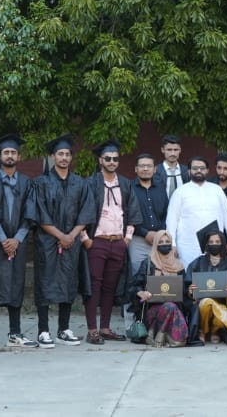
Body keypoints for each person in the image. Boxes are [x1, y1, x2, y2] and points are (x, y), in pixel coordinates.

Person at [28, 135, 95, 348]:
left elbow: (86, 212)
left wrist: (71, 236)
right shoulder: (41, 183)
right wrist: (60, 236)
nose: (64, 157)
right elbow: (39, 214)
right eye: (60, 154)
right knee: (45, 284)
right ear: (52, 156)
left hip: (72, 242)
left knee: (68, 283)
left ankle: (63, 329)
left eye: (67, 154)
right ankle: (43, 330)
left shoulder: (80, 183)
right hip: (47, 241)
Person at [0, 135, 36, 350]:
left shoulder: (26, 183)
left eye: (13, 152)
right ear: (0, 155)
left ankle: (15, 333)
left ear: (18, 156)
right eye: (6, 152)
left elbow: (30, 213)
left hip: (17, 243)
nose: (10, 155)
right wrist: (4, 239)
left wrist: (18, 239)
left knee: (16, 286)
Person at [83, 141, 141, 344]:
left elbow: (133, 212)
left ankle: (105, 328)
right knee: (94, 285)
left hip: (118, 242)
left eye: (115, 159)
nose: (112, 162)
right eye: (108, 158)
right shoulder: (91, 183)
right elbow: (81, 212)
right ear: (100, 160)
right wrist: (86, 240)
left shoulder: (125, 184)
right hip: (96, 241)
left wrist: (127, 239)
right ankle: (92, 330)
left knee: (110, 286)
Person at [165, 156, 227, 261]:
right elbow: (172, 220)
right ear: (189, 171)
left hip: (215, 244)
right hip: (187, 246)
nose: (199, 171)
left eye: (202, 168)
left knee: (213, 275)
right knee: (189, 275)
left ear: (207, 171)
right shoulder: (180, 192)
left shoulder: (217, 190)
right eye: (195, 168)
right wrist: (172, 243)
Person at [129, 230, 190, 347]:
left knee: (171, 306)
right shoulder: (148, 264)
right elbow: (133, 286)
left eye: (167, 241)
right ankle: (157, 334)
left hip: (174, 311)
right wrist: (140, 292)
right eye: (161, 241)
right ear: (155, 244)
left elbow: (185, 293)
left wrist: (189, 291)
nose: (164, 244)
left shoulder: (179, 266)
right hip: (151, 312)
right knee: (169, 306)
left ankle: (156, 336)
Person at [184, 224, 227, 344]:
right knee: (206, 302)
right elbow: (186, 286)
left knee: (221, 311)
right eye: (211, 241)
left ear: (223, 243)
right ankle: (203, 331)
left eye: (217, 241)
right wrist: (190, 290)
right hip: (202, 304)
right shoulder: (197, 263)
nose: (214, 244)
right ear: (206, 244)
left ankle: (214, 331)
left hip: (222, 304)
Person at [129, 153, 170, 281]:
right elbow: (127, 215)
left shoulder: (161, 188)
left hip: (160, 240)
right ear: (136, 169)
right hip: (138, 239)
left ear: (155, 169)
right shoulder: (128, 188)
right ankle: (139, 300)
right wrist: (145, 233)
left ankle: (161, 301)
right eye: (142, 166)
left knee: (161, 275)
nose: (145, 169)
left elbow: (167, 213)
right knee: (137, 275)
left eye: (149, 166)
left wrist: (160, 234)